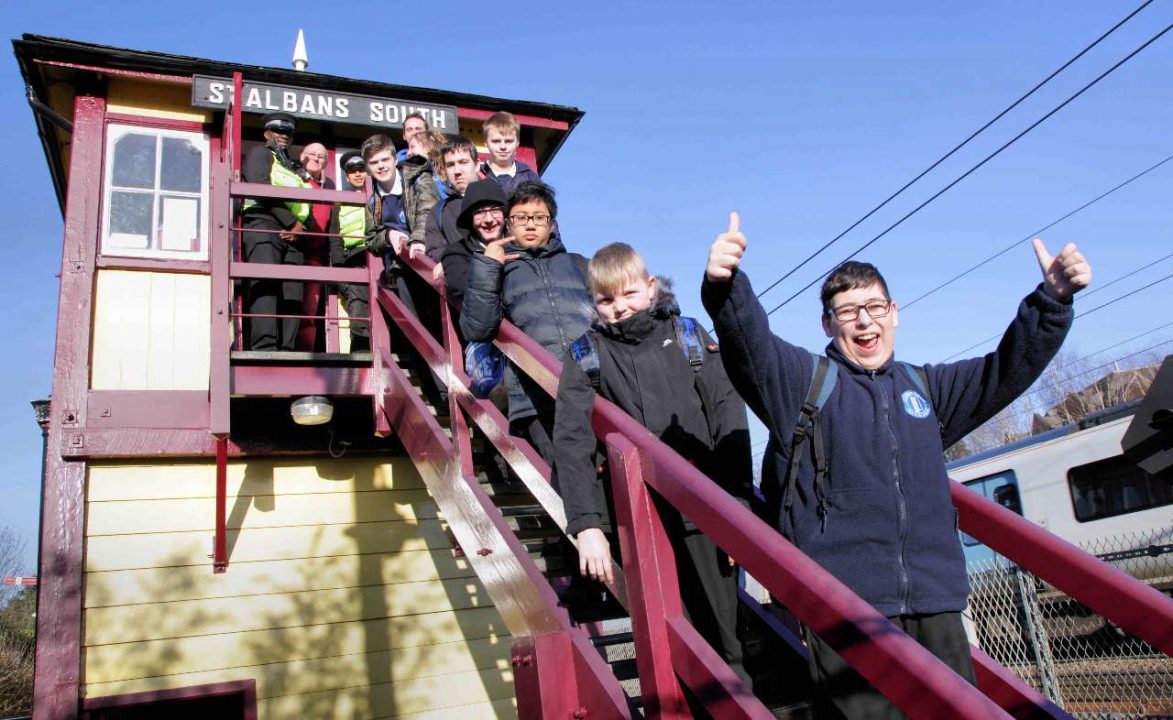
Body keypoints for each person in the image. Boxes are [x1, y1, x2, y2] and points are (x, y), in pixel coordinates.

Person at [701, 213, 1092, 719]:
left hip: (936, 601)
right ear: (828, 324)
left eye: (874, 306)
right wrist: (726, 285)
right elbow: (750, 346)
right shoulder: (804, 384)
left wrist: (1053, 302)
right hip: (847, 608)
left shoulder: (926, 390)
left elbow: (1005, 370)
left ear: (894, 313)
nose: (864, 320)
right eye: (847, 312)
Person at [553, 242, 753, 687]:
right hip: (638, 523)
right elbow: (571, 444)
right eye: (606, 300)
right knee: (667, 648)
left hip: (705, 515)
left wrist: (738, 510)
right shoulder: (585, 356)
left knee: (726, 645)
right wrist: (588, 527)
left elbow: (728, 418)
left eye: (627, 294)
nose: (619, 308)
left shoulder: (689, 336)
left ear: (649, 288)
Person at [460, 181, 593, 462]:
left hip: (593, 387)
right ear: (508, 224)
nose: (530, 225)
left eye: (539, 218)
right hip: (535, 396)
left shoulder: (580, 264)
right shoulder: (496, 268)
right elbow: (477, 327)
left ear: (552, 224)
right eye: (521, 218)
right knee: (568, 483)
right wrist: (487, 267)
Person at [240, 112, 310, 351]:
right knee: (265, 285)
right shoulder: (260, 153)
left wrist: (298, 227)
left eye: (287, 133)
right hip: (262, 222)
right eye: (277, 131)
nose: (283, 136)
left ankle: (287, 348)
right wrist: (289, 221)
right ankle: (264, 347)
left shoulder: (292, 166)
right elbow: (260, 186)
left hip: (295, 234)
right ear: (266, 133)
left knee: (293, 291)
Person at [440, 179, 507, 313]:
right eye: (480, 212)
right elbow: (469, 291)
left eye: (495, 210)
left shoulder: (521, 245)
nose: (488, 219)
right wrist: (488, 264)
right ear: (469, 218)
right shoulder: (456, 254)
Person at [296, 142, 334, 351]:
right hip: (293, 249)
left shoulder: (329, 186)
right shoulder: (293, 179)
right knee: (290, 302)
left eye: (321, 156)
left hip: (317, 254)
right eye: (311, 154)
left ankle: (304, 353)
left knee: (310, 308)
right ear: (302, 156)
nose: (316, 158)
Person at [423, 136, 481, 268]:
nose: (457, 171)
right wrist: (452, 259)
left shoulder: (497, 199)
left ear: (477, 165)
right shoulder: (438, 212)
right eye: (450, 165)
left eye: (463, 162)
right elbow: (434, 250)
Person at [480, 111, 539, 195]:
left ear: (517, 143)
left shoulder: (530, 178)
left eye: (508, 141)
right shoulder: (476, 176)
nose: (503, 146)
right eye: (496, 141)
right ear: (486, 144)